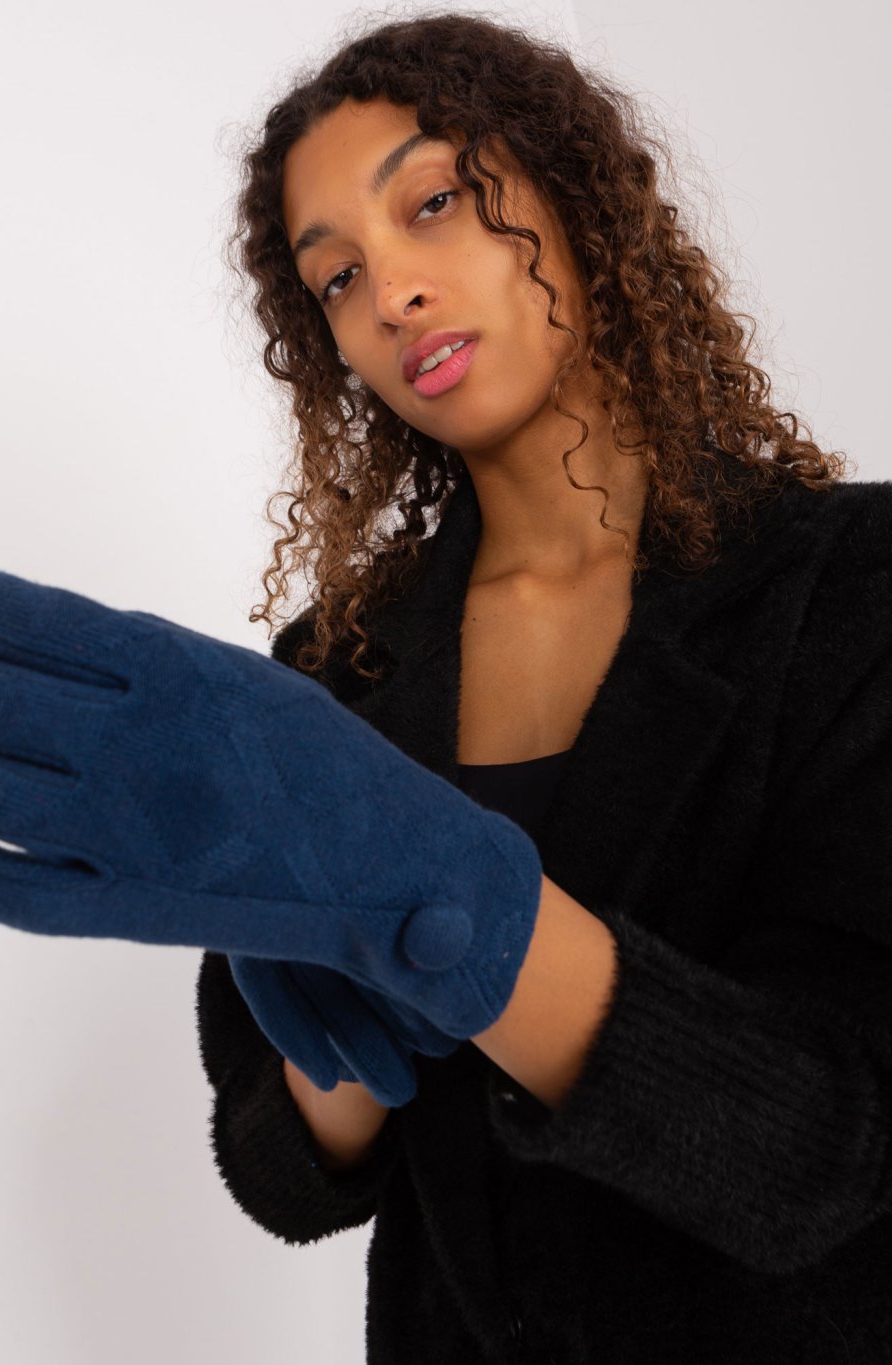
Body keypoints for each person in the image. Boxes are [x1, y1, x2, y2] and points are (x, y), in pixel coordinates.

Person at [194, 11, 892, 1363]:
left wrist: (469, 932)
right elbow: (283, 1175)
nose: (391, 295)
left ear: (571, 193)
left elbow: (833, 1146)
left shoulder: (849, 590)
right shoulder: (332, 674)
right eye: (335, 277)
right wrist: (344, 1040)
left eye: (432, 203)